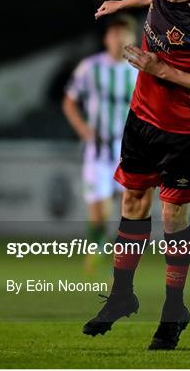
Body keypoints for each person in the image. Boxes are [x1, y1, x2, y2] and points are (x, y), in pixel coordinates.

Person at [83, 0, 190, 350]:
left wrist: (159, 69)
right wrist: (121, 4)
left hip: (182, 130)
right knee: (131, 203)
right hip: (141, 118)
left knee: (172, 220)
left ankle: (173, 311)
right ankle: (123, 295)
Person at [62, 15, 138, 272]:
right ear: (107, 39)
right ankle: (97, 253)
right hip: (98, 149)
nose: (119, 39)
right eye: (114, 34)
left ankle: (122, 258)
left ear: (132, 39)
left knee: (128, 206)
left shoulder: (138, 70)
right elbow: (69, 101)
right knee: (100, 211)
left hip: (127, 149)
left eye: (123, 34)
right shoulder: (90, 67)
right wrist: (83, 129)